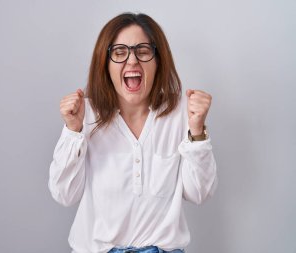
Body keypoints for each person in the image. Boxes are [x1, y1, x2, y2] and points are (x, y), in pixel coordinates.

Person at [48, 12, 217, 253]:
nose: (132, 61)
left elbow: (199, 193)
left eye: (143, 51)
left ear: (158, 61)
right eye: (119, 52)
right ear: (105, 64)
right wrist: (73, 131)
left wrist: (197, 130)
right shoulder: (85, 114)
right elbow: (64, 194)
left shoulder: (181, 114)